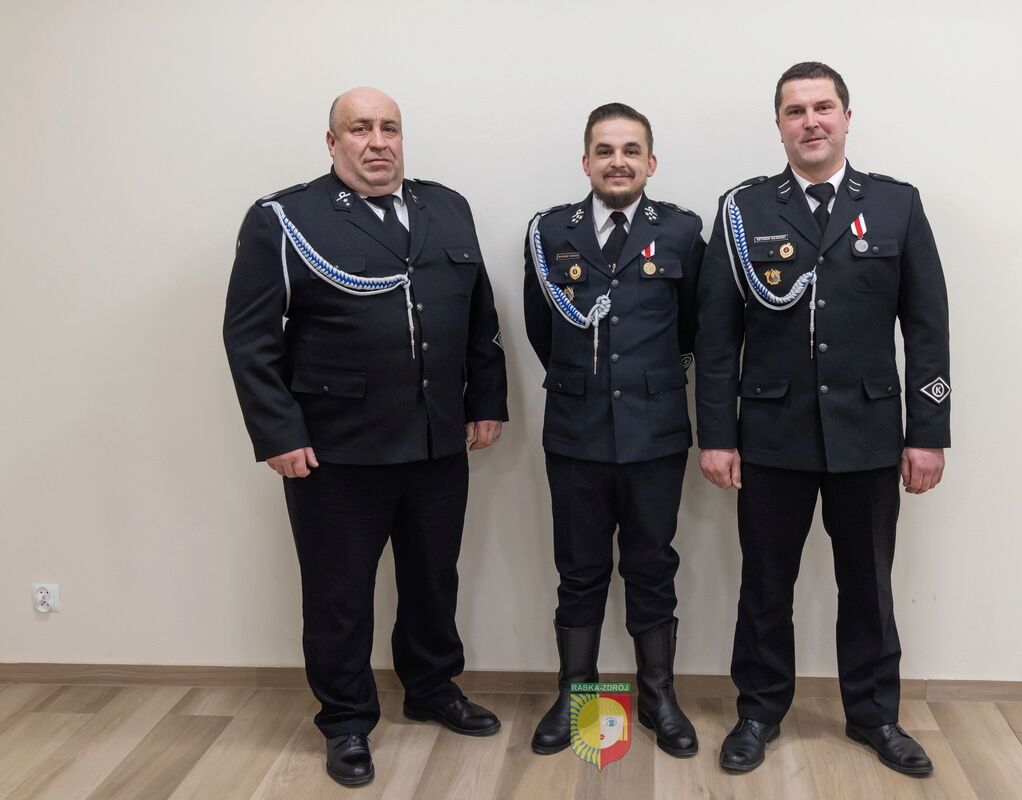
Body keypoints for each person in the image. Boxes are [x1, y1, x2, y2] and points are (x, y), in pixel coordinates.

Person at [223, 87, 508, 787]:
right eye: (359, 128)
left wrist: (485, 401)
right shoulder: (285, 218)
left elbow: (479, 317)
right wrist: (278, 431)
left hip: (436, 439)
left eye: (389, 128)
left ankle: (431, 686)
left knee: (433, 578)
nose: (377, 141)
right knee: (339, 592)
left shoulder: (448, 207)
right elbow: (250, 338)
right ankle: (346, 720)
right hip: (337, 448)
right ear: (332, 142)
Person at [694, 62, 951, 775]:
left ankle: (874, 716)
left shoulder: (896, 205)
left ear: (846, 117)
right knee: (765, 585)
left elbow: (927, 328)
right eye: (795, 110)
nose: (811, 121)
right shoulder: (743, 211)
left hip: (867, 433)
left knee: (868, 585)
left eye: (823, 107)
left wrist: (928, 434)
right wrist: (717, 434)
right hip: (771, 434)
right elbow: (716, 336)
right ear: (779, 125)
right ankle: (758, 712)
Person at [522, 103, 704, 758]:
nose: (618, 161)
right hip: (576, 434)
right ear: (586, 161)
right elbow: (542, 329)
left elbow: (693, 327)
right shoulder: (549, 232)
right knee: (579, 571)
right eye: (605, 150)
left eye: (631, 150)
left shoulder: (682, 231)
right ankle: (577, 697)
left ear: (651, 162)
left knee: (652, 567)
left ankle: (658, 699)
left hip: (655, 435)